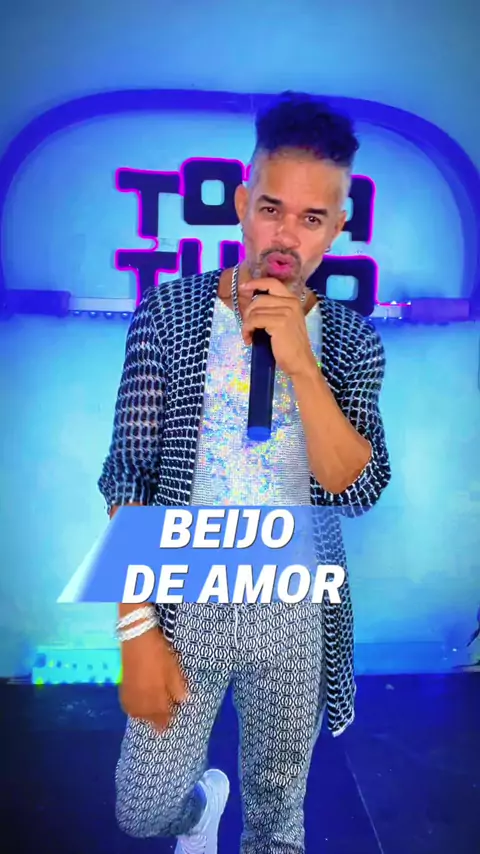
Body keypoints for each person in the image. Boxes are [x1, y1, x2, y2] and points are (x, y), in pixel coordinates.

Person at [98, 91, 391, 854]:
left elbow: (358, 488)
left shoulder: (352, 342)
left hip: (296, 602)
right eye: (271, 209)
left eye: (312, 218)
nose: (286, 236)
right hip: (186, 594)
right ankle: (201, 809)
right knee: (142, 808)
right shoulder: (170, 313)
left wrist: (301, 364)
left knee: (277, 814)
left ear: (338, 226)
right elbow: (128, 475)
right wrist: (135, 629)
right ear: (240, 204)